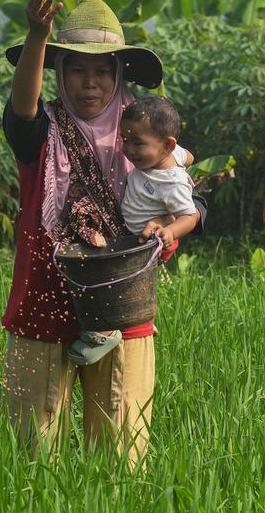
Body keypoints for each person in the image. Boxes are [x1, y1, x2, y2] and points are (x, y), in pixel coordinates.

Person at [0, 0, 205, 468]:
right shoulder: (43, 131)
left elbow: (187, 204)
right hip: (44, 299)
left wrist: (164, 227)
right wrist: (37, 36)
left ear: (116, 75)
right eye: (76, 70)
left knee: (121, 455)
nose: (88, 83)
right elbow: (21, 112)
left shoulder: (148, 138)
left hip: (123, 304)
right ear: (59, 74)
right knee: (31, 455)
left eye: (100, 71)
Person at [67, 95, 199, 366]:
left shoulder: (170, 182)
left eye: (138, 144)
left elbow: (190, 216)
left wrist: (171, 231)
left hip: (143, 240)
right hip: (136, 233)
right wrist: (181, 159)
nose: (129, 150)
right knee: (136, 284)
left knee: (117, 284)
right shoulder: (172, 154)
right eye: (125, 140)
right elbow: (189, 156)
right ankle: (140, 318)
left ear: (166, 144)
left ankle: (106, 332)